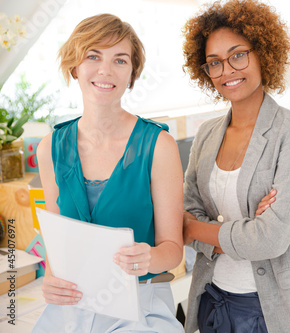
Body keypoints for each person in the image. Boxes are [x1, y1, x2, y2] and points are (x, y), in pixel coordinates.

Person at [181, 0, 290, 332]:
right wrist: (248, 229)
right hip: (213, 298)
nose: (227, 71)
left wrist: (196, 230)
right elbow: (186, 209)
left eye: (238, 55)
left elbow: (271, 240)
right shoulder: (207, 133)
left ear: (262, 53)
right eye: (214, 62)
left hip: (275, 308)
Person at [34, 14, 185, 332]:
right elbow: (58, 244)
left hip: (139, 303)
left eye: (120, 60)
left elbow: (172, 250)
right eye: (93, 56)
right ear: (75, 66)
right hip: (73, 305)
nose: (105, 70)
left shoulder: (158, 145)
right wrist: (50, 278)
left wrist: (149, 259)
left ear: (132, 74)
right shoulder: (50, 147)